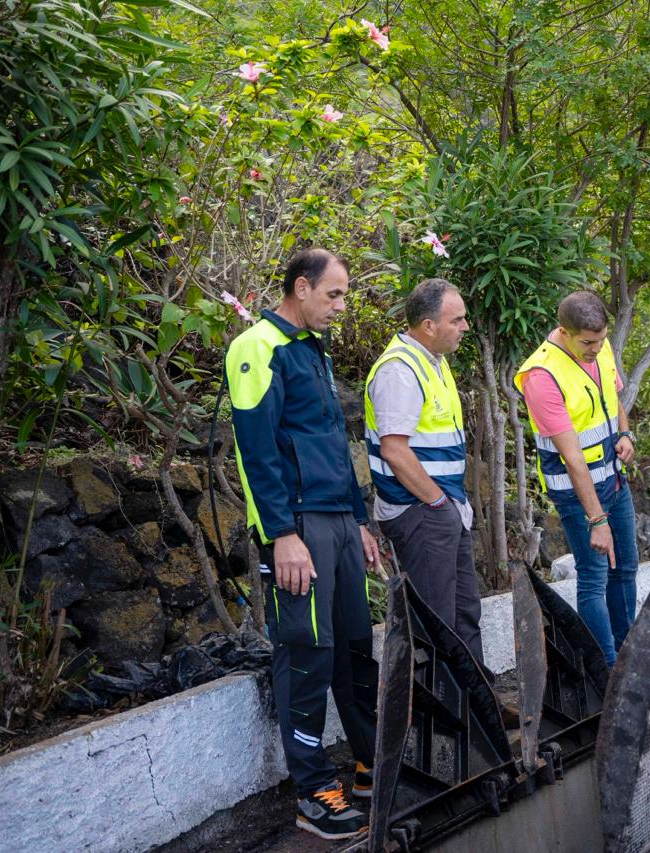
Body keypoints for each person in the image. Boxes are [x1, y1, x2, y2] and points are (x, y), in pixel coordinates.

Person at [227, 248, 379, 839]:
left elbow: (333, 444)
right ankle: (314, 792)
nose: (341, 306)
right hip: (297, 527)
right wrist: (281, 534)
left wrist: (359, 520)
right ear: (301, 287)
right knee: (307, 652)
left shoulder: (312, 349)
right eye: (334, 295)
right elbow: (256, 453)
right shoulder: (256, 348)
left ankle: (370, 762)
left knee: (354, 647)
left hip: (338, 521)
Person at [364, 278, 485, 664]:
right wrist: (437, 503)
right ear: (428, 326)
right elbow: (395, 452)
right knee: (437, 623)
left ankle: (478, 707)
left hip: (442, 510)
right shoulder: (399, 370)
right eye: (457, 319)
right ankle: (448, 716)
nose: (465, 326)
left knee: (464, 613)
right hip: (422, 511)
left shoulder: (433, 361)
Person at [514, 291, 638, 665]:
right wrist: (595, 519)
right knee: (594, 577)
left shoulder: (598, 348)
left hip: (614, 480)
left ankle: (627, 654)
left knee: (626, 568)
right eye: (588, 343)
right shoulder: (541, 376)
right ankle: (606, 669)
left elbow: (613, 399)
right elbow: (572, 458)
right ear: (564, 332)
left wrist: (626, 433)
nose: (596, 348)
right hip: (578, 494)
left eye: (601, 340)